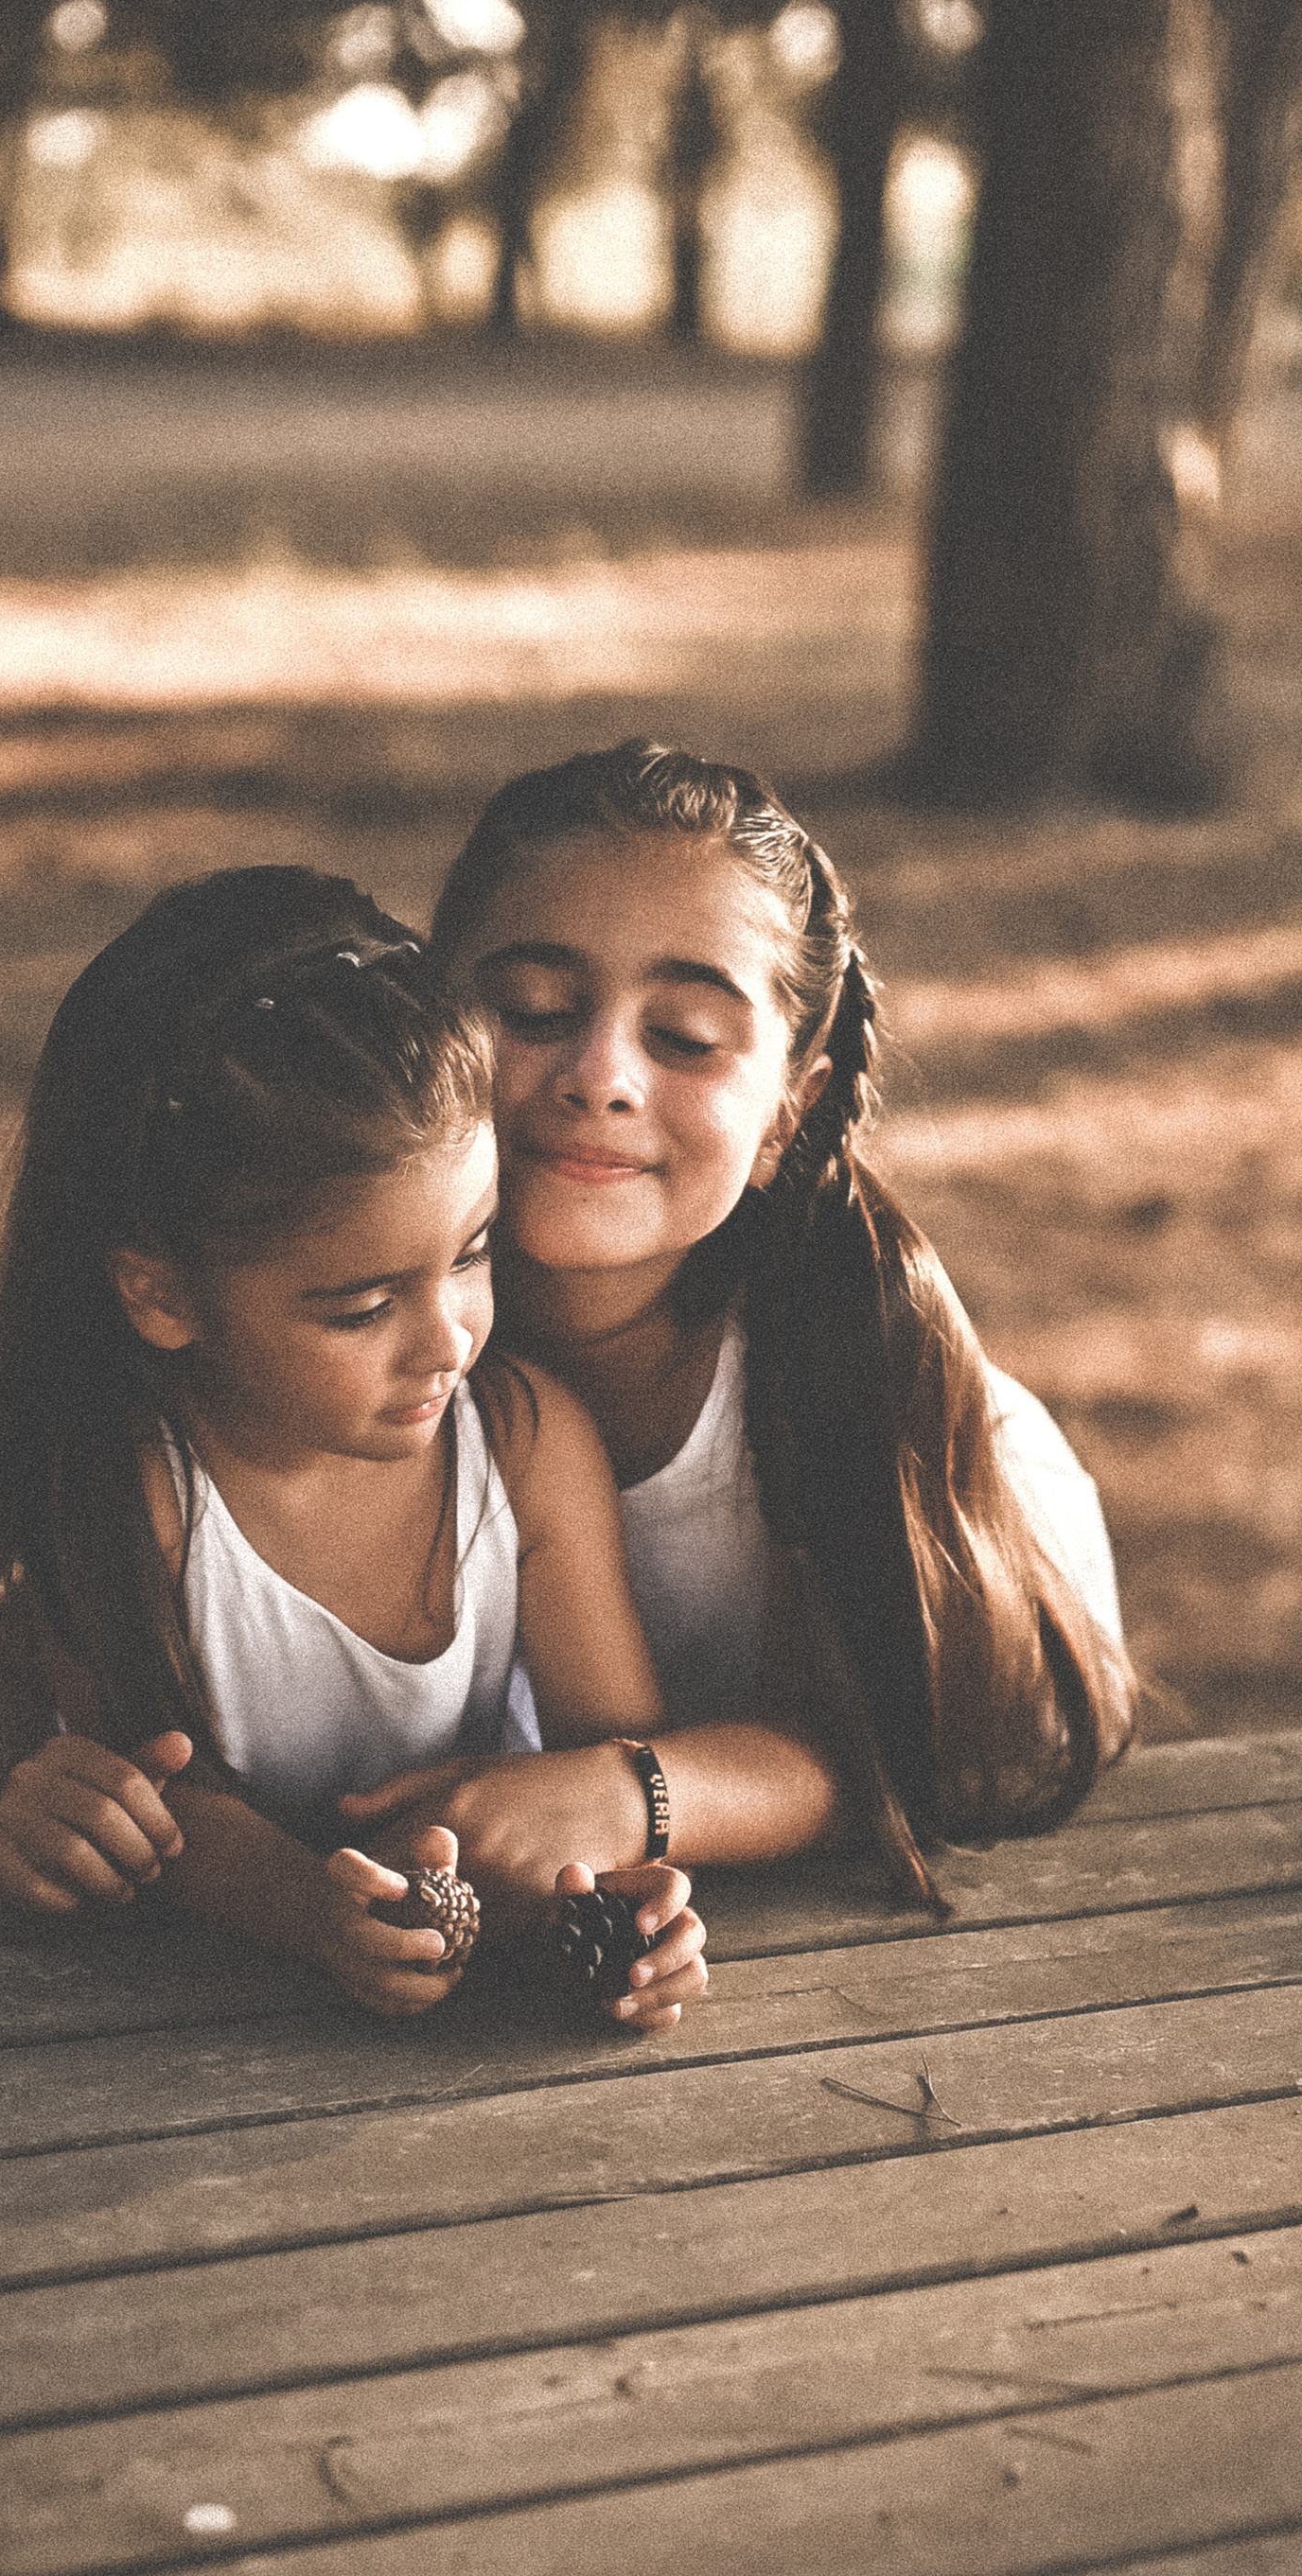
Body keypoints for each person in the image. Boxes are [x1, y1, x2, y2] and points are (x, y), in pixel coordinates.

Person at [0, 867, 706, 2025]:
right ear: (163, 1294)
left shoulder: (526, 1446)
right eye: (360, 1306)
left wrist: (636, 1914)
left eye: (473, 1250)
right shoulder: (138, 1491)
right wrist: (319, 1915)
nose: (448, 1340)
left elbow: (609, 1752)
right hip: (113, 2007)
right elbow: (165, 1809)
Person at [346, 740, 1134, 1908]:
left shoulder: (855, 1375)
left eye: (685, 1037)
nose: (598, 1072)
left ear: (788, 1113)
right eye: (534, 1008)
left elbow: (935, 1743)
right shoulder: (335, 1322)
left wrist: (633, 1795)